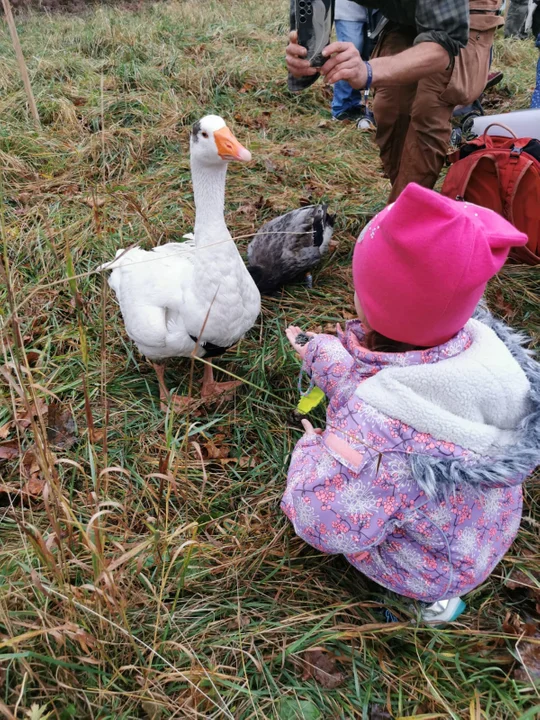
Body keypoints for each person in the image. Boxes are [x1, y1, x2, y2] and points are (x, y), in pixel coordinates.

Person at [283, 183, 539, 624]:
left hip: (436, 566)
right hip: (486, 530)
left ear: (376, 303)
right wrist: (329, 359)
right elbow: (398, 386)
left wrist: (312, 451)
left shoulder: (380, 434)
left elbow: (319, 519)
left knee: (351, 522)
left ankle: (430, 604)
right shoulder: (484, 355)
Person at [286, 1, 504, 202]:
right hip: (404, 13)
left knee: (428, 112)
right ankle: (405, 204)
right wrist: (305, 59)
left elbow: (444, 42)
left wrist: (368, 71)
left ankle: (401, 222)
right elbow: (309, 17)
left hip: (460, 13)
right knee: (389, 109)